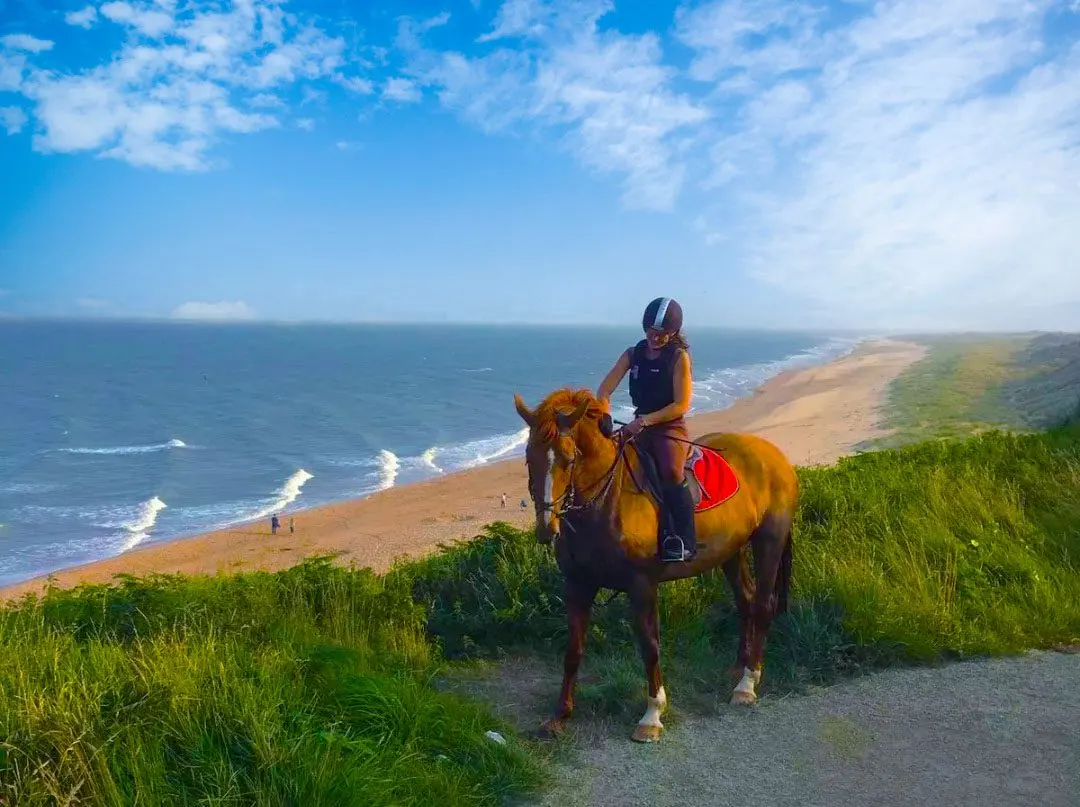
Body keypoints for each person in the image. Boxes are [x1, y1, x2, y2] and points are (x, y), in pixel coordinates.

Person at [596, 297, 696, 562]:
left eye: (661, 334)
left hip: (668, 427)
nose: (654, 337)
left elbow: (681, 404)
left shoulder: (678, 358)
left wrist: (644, 422)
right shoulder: (632, 354)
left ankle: (684, 540)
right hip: (638, 425)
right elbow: (604, 390)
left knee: (671, 472)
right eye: (650, 331)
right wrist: (604, 412)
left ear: (673, 333)